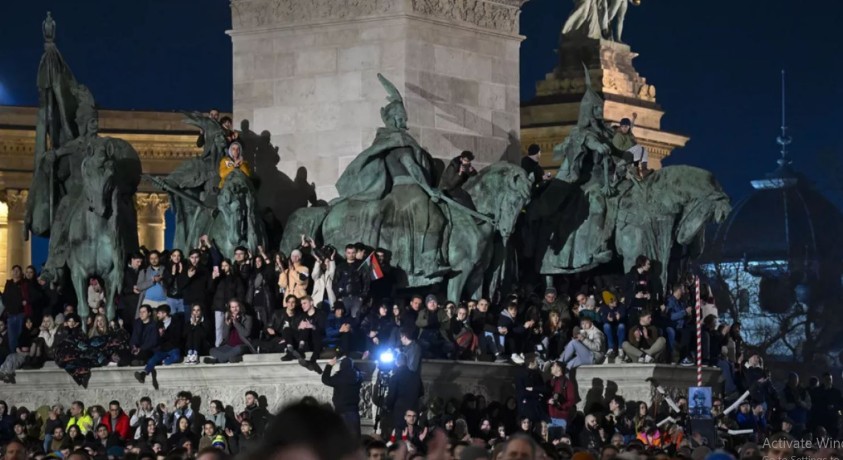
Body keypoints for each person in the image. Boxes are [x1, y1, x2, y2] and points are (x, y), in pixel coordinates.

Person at [134, 304, 183, 384]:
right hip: (162, 349)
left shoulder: (176, 322)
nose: (157, 315)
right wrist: (160, 336)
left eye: (159, 313)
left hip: (173, 348)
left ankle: (164, 361)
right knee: (152, 360)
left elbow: (177, 338)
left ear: (164, 313)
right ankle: (143, 374)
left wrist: (165, 334)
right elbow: (155, 340)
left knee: (176, 356)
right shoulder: (157, 324)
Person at [321, 352, 364, 437]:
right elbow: (357, 371)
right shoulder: (358, 377)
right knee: (355, 438)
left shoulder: (338, 377)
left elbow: (325, 380)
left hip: (340, 410)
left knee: (342, 437)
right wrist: (352, 364)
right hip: (353, 411)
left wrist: (329, 365)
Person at [205, 299, 255, 364]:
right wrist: (227, 325)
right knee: (212, 350)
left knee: (238, 349)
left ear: (240, 307)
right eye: (232, 307)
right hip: (229, 346)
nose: (235, 309)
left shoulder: (247, 317)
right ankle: (234, 358)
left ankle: (219, 360)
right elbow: (224, 336)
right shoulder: (228, 318)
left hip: (242, 345)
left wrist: (236, 323)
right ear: (230, 308)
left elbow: (246, 334)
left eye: (237, 307)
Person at [332, 244, 370, 319]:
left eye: (353, 252)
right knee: (343, 319)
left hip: (357, 298)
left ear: (355, 253)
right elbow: (335, 282)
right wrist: (339, 296)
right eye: (349, 253)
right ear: (345, 253)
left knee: (355, 319)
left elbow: (367, 282)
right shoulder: (341, 266)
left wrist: (362, 297)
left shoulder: (361, 266)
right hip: (343, 297)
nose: (351, 255)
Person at [2, 266, 26, 354]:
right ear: (11, 272)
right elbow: (5, 297)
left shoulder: (23, 283)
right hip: (11, 314)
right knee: (12, 337)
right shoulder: (8, 284)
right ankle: (13, 354)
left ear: (21, 272)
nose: (15, 272)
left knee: (19, 335)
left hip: (20, 314)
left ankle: (20, 355)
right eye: (14, 270)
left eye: (17, 270)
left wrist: (23, 302)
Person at [547, 361, 576, 434]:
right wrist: (548, 401)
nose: (551, 367)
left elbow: (571, 400)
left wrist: (561, 406)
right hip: (550, 416)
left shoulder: (567, 383)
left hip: (561, 417)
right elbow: (545, 396)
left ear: (559, 368)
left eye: (553, 366)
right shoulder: (550, 381)